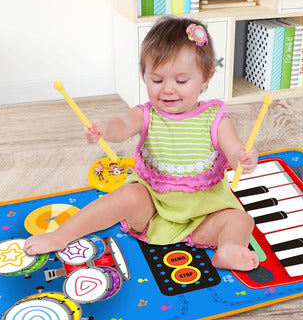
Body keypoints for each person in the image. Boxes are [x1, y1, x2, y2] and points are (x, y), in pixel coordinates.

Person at [24, 16, 259, 271]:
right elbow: (122, 126)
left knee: (240, 220)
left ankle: (228, 249)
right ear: (144, 75)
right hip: (152, 208)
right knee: (127, 194)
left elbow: (235, 149)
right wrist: (104, 128)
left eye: (181, 81)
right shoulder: (146, 114)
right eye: (156, 80)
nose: (167, 89)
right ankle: (61, 235)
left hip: (204, 213)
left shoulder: (216, 119)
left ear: (205, 78)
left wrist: (243, 158)